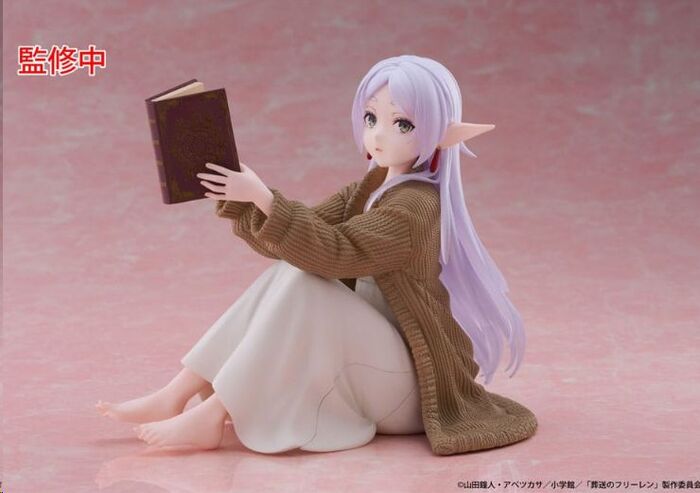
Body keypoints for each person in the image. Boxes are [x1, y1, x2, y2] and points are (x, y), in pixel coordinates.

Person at [96, 55, 537, 456]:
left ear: (443, 132)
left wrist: (265, 198)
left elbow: (335, 252)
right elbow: (296, 240)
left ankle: (212, 414)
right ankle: (178, 392)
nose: (378, 134)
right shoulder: (369, 189)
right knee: (294, 271)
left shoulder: (415, 207)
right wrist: (244, 198)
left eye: (402, 124)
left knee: (306, 278)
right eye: (371, 117)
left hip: (411, 391)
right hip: (367, 367)